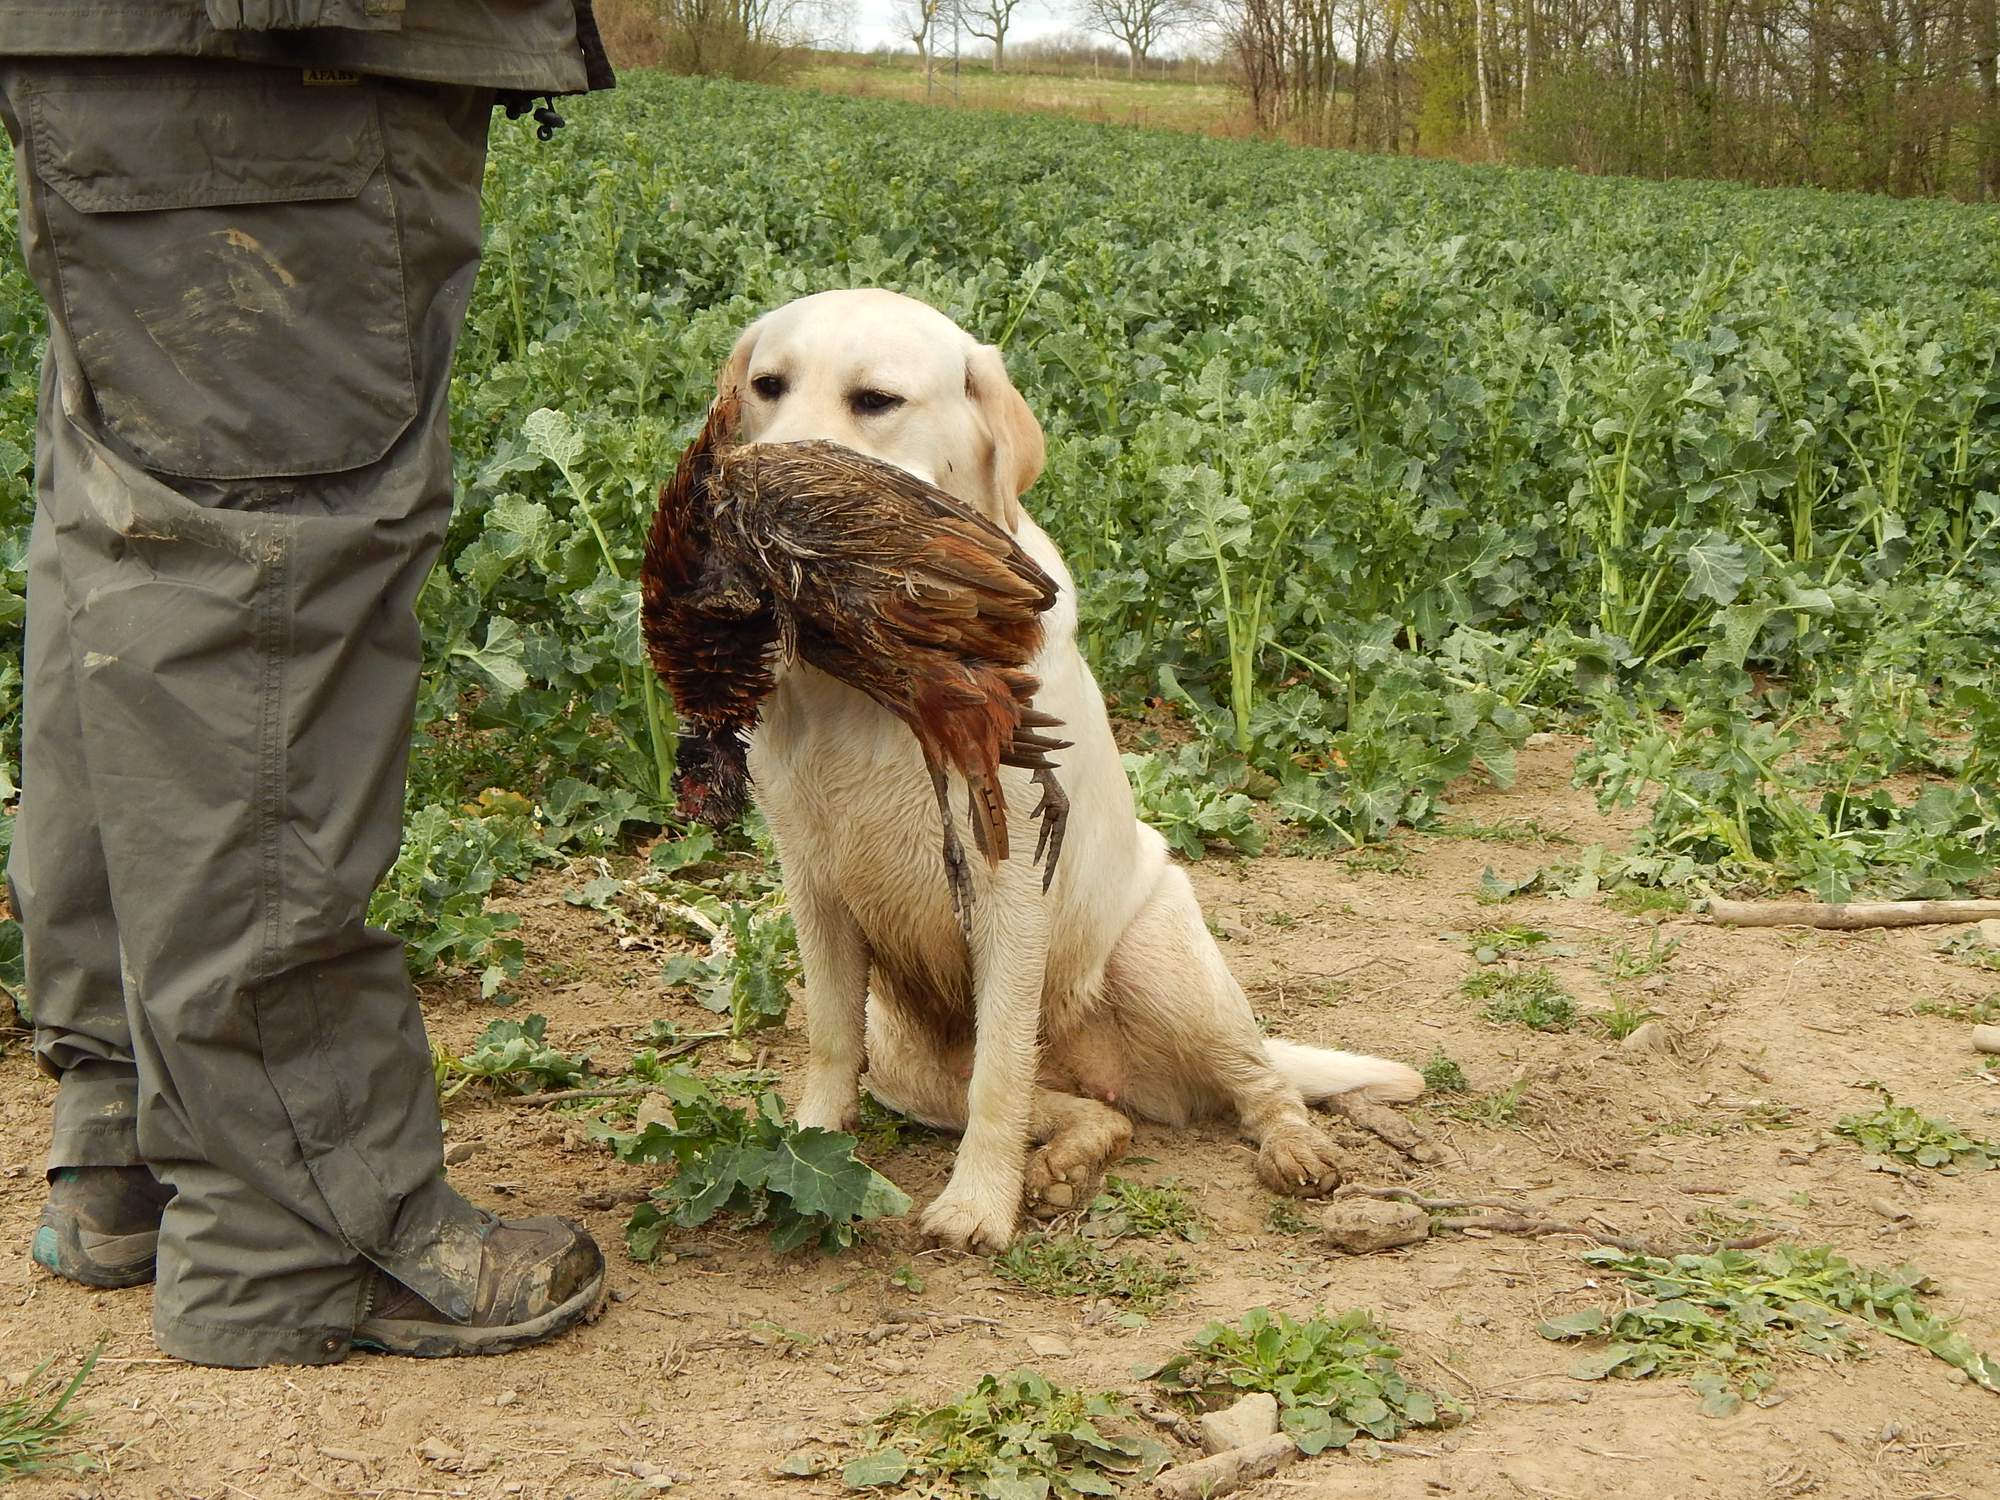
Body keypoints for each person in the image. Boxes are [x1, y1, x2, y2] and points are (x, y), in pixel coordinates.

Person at [0, 1, 617, 1368]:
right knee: (259, 562)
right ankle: (300, 1226)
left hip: (137, 46)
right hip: (279, 42)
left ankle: (130, 1148)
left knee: (143, 538)